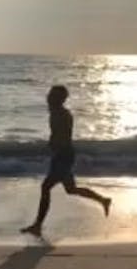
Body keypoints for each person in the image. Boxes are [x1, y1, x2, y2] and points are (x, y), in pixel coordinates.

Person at [21, 85, 111, 236]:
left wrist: (55, 145)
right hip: (62, 155)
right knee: (70, 190)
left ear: (60, 99)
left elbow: (63, 137)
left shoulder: (62, 114)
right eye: (50, 95)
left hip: (64, 156)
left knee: (46, 187)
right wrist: (53, 144)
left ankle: (37, 226)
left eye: (53, 96)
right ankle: (103, 200)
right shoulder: (56, 113)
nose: (49, 98)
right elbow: (57, 135)